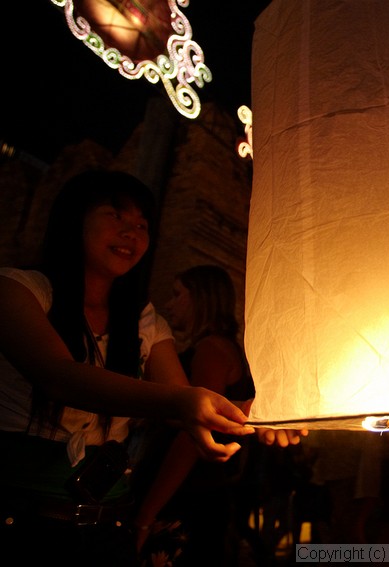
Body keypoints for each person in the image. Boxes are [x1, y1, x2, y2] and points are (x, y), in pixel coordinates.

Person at [0, 170, 302, 565]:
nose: (132, 233)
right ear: (75, 219)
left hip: (109, 521)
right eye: (116, 216)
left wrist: (258, 413)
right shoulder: (19, 289)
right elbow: (58, 376)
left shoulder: (144, 321)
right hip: (21, 516)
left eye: (142, 225)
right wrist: (185, 403)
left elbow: (180, 405)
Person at [131, 265, 256, 565]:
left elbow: (193, 434)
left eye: (177, 294)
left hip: (186, 493)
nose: (168, 304)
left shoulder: (210, 350)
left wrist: (146, 514)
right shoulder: (227, 347)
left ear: (201, 298)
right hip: (204, 491)